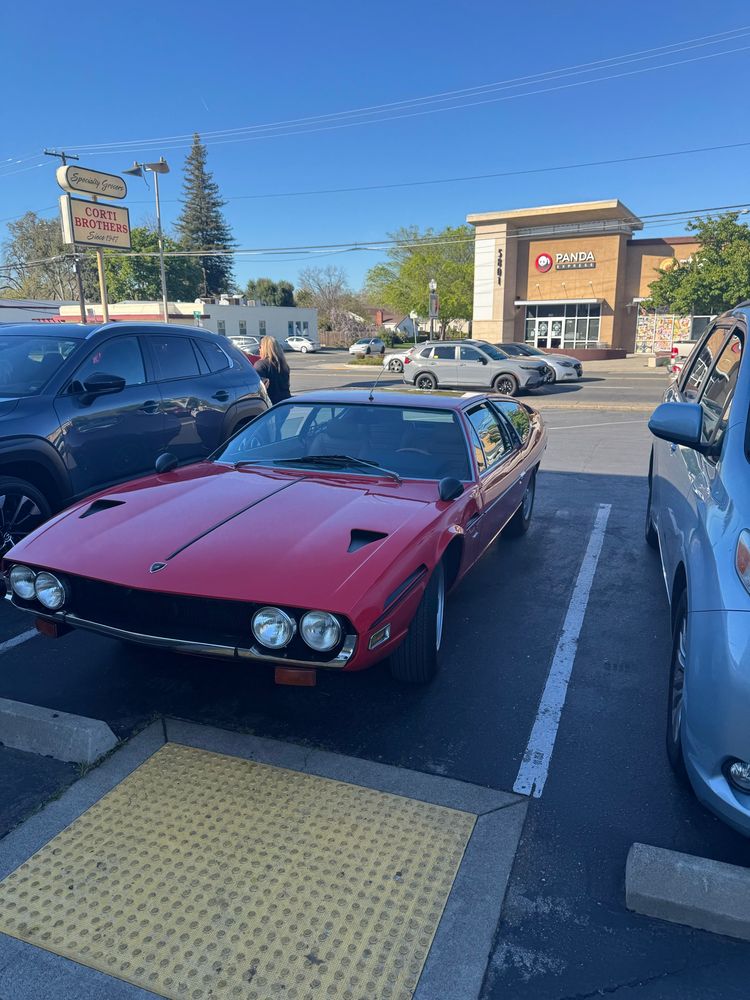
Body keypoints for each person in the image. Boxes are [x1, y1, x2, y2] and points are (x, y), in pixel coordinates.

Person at [254, 336, 291, 405]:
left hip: (270, 406)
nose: (259, 349)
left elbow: (259, 389)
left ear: (265, 348)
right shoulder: (284, 365)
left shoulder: (261, 365)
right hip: (285, 403)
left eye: (260, 347)